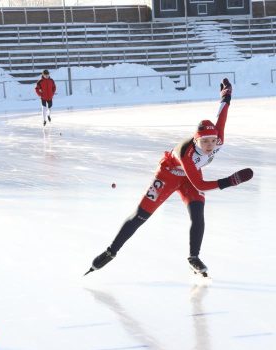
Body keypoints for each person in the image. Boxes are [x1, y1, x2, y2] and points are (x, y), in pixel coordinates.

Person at [85, 78, 253, 278]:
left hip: (191, 175)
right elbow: (199, 184)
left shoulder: (217, 140)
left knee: (198, 214)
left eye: (212, 140)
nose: (210, 145)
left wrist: (226, 96)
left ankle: (194, 258)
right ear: (196, 140)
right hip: (169, 174)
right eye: (204, 141)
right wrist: (229, 181)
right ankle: (111, 251)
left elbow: (222, 117)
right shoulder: (185, 153)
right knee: (141, 216)